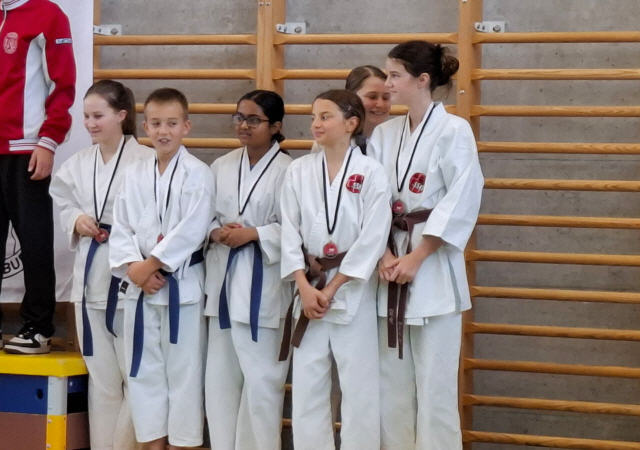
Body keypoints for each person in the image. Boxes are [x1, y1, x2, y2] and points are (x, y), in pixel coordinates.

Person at [369, 40, 484, 449]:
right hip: (388, 268)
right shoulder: (384, 134)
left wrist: (418, 256)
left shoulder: (454, 130)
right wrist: (383, 253)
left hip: (432, 269)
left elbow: (463, 198)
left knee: (436, 391)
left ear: (422, 80)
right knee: (392, 390)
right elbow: (369, 201)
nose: (387, 84)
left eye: (394, 75)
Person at [0, 0, 76, 354]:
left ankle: (38, 327)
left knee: (34, 241)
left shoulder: (48, 14)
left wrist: (48, 141)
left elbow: (63, 85)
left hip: (26, 149)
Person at [279, 90, 391, 449]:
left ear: (351, 123)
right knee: (308, 388)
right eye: (314, 116)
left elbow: (373, 238)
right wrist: (304, 285)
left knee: (359, 389)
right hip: (309, 289)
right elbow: (288, 233)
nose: (316, 124)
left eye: (325, 116)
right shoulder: (298, 171)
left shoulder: (371, 172)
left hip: (351, 290)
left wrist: (333, 287)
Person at [109, 88, 214, 450]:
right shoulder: (134, 173)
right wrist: (134, 267)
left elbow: (193, 229)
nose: (163, 131)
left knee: (185, 376)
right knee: (144, 374)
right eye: (155, 124)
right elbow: (120, 226)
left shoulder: (198, 173)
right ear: (145, 127)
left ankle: (182, 444)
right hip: (140, 288)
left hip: (180, 288)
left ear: (186, 126)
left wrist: (152, 264)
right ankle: (153, 444)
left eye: (171, 123)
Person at [49, 80, 151, 450]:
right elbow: (62, 201)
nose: (90, 124)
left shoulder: (145, 161)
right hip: (90, 275)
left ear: (122, 116)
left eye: (98, 116)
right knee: (102, 380)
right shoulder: (78, 163)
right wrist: (76, 219)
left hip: (130, 277)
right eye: (86, 116)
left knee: (135, 375)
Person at [203, 90, 292, 450]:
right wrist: (216, 232)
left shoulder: (290, 170)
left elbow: (298, 230)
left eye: (253, 120)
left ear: (276, 126)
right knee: (219, 384)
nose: (243, 125)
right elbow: (202, 216)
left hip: (264, 289)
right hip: (223, 287)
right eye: (239, 117)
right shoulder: (221, 166)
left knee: (262, 385)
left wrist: (254, 234)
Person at [311, 65, 390, 154]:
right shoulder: (330, 139)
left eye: (386, 98)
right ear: (352, 98)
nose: (380, 104)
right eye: (372, 97)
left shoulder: (395, 137)